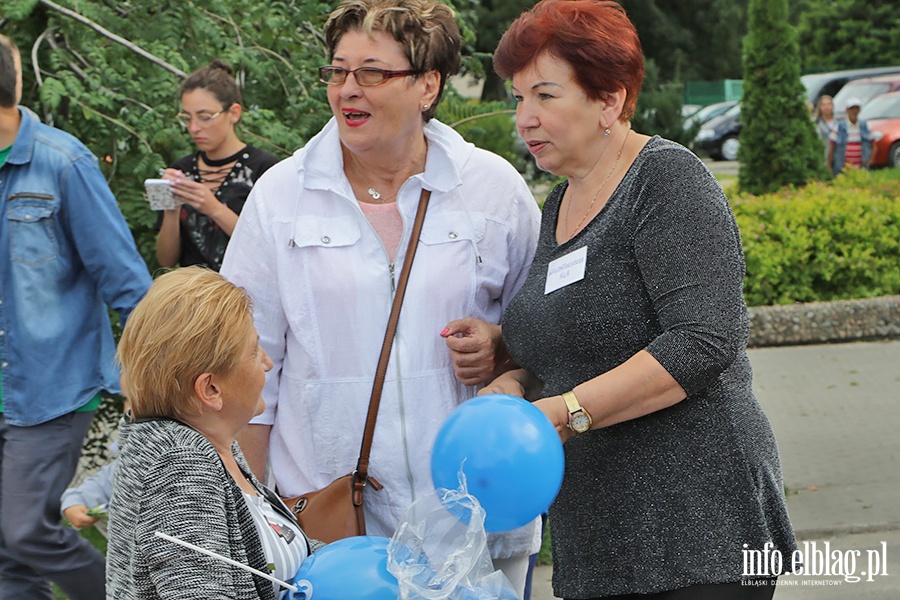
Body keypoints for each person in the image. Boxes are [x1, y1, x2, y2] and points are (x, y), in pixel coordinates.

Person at [220, 0, 541, 595]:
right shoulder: (281, 197)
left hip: (476, 524)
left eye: (373, 72)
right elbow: (245, 372)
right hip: (331, 533)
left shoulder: (494, 191)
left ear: (428, 85)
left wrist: (505, 356)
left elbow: (544, 340)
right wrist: (249, 509)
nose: (348, 89)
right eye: (338, 72)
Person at [484, 1, 798, 598]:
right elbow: (575, 338)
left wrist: (567, 409)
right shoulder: (559, 202)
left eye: (545, 96)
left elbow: (704, 340)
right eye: (518, 97)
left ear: (609, 100)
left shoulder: (666, 179)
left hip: (698, 528)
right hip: (600, 533)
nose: (525, 117)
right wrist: (513, 372)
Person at [0, 34, 152, 600]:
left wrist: (153, 381)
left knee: (26, 530)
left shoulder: (64, 164)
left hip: (52, 387)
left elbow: (128, 283)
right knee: (6, 553)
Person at [107, 267, 317, 600]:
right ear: (211, 389)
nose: (266, 363)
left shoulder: (210, 441)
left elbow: (267, 548)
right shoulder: (180, 463)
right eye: (253, 350)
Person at [155, 60, 279, 271]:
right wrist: (171, 209)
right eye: (187, 118)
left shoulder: (265, 169)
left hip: (244, 298)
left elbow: (274, 249)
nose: (194, 128)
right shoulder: (182, 170)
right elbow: (166, 261)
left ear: (233, 113)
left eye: (205, 117)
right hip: (194, 298)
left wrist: (213, 208)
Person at [827, 96, 874, 176]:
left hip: (861, 168)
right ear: (847, 110)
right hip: (842, 169)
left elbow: (874, 145)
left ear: (859, 110)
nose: (854, 111)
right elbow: (831, 147)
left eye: (856, 109)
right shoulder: (839, 127)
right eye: (852, 109)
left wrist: (869, 161)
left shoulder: (865, 126)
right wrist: (829, 166)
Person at [813, 94, 836, 162]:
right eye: (823, 105)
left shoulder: (838, 123)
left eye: (829, 104)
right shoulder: (816, 122)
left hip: (836, 158)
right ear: (819, 107)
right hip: (823, 156)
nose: (826, 107)